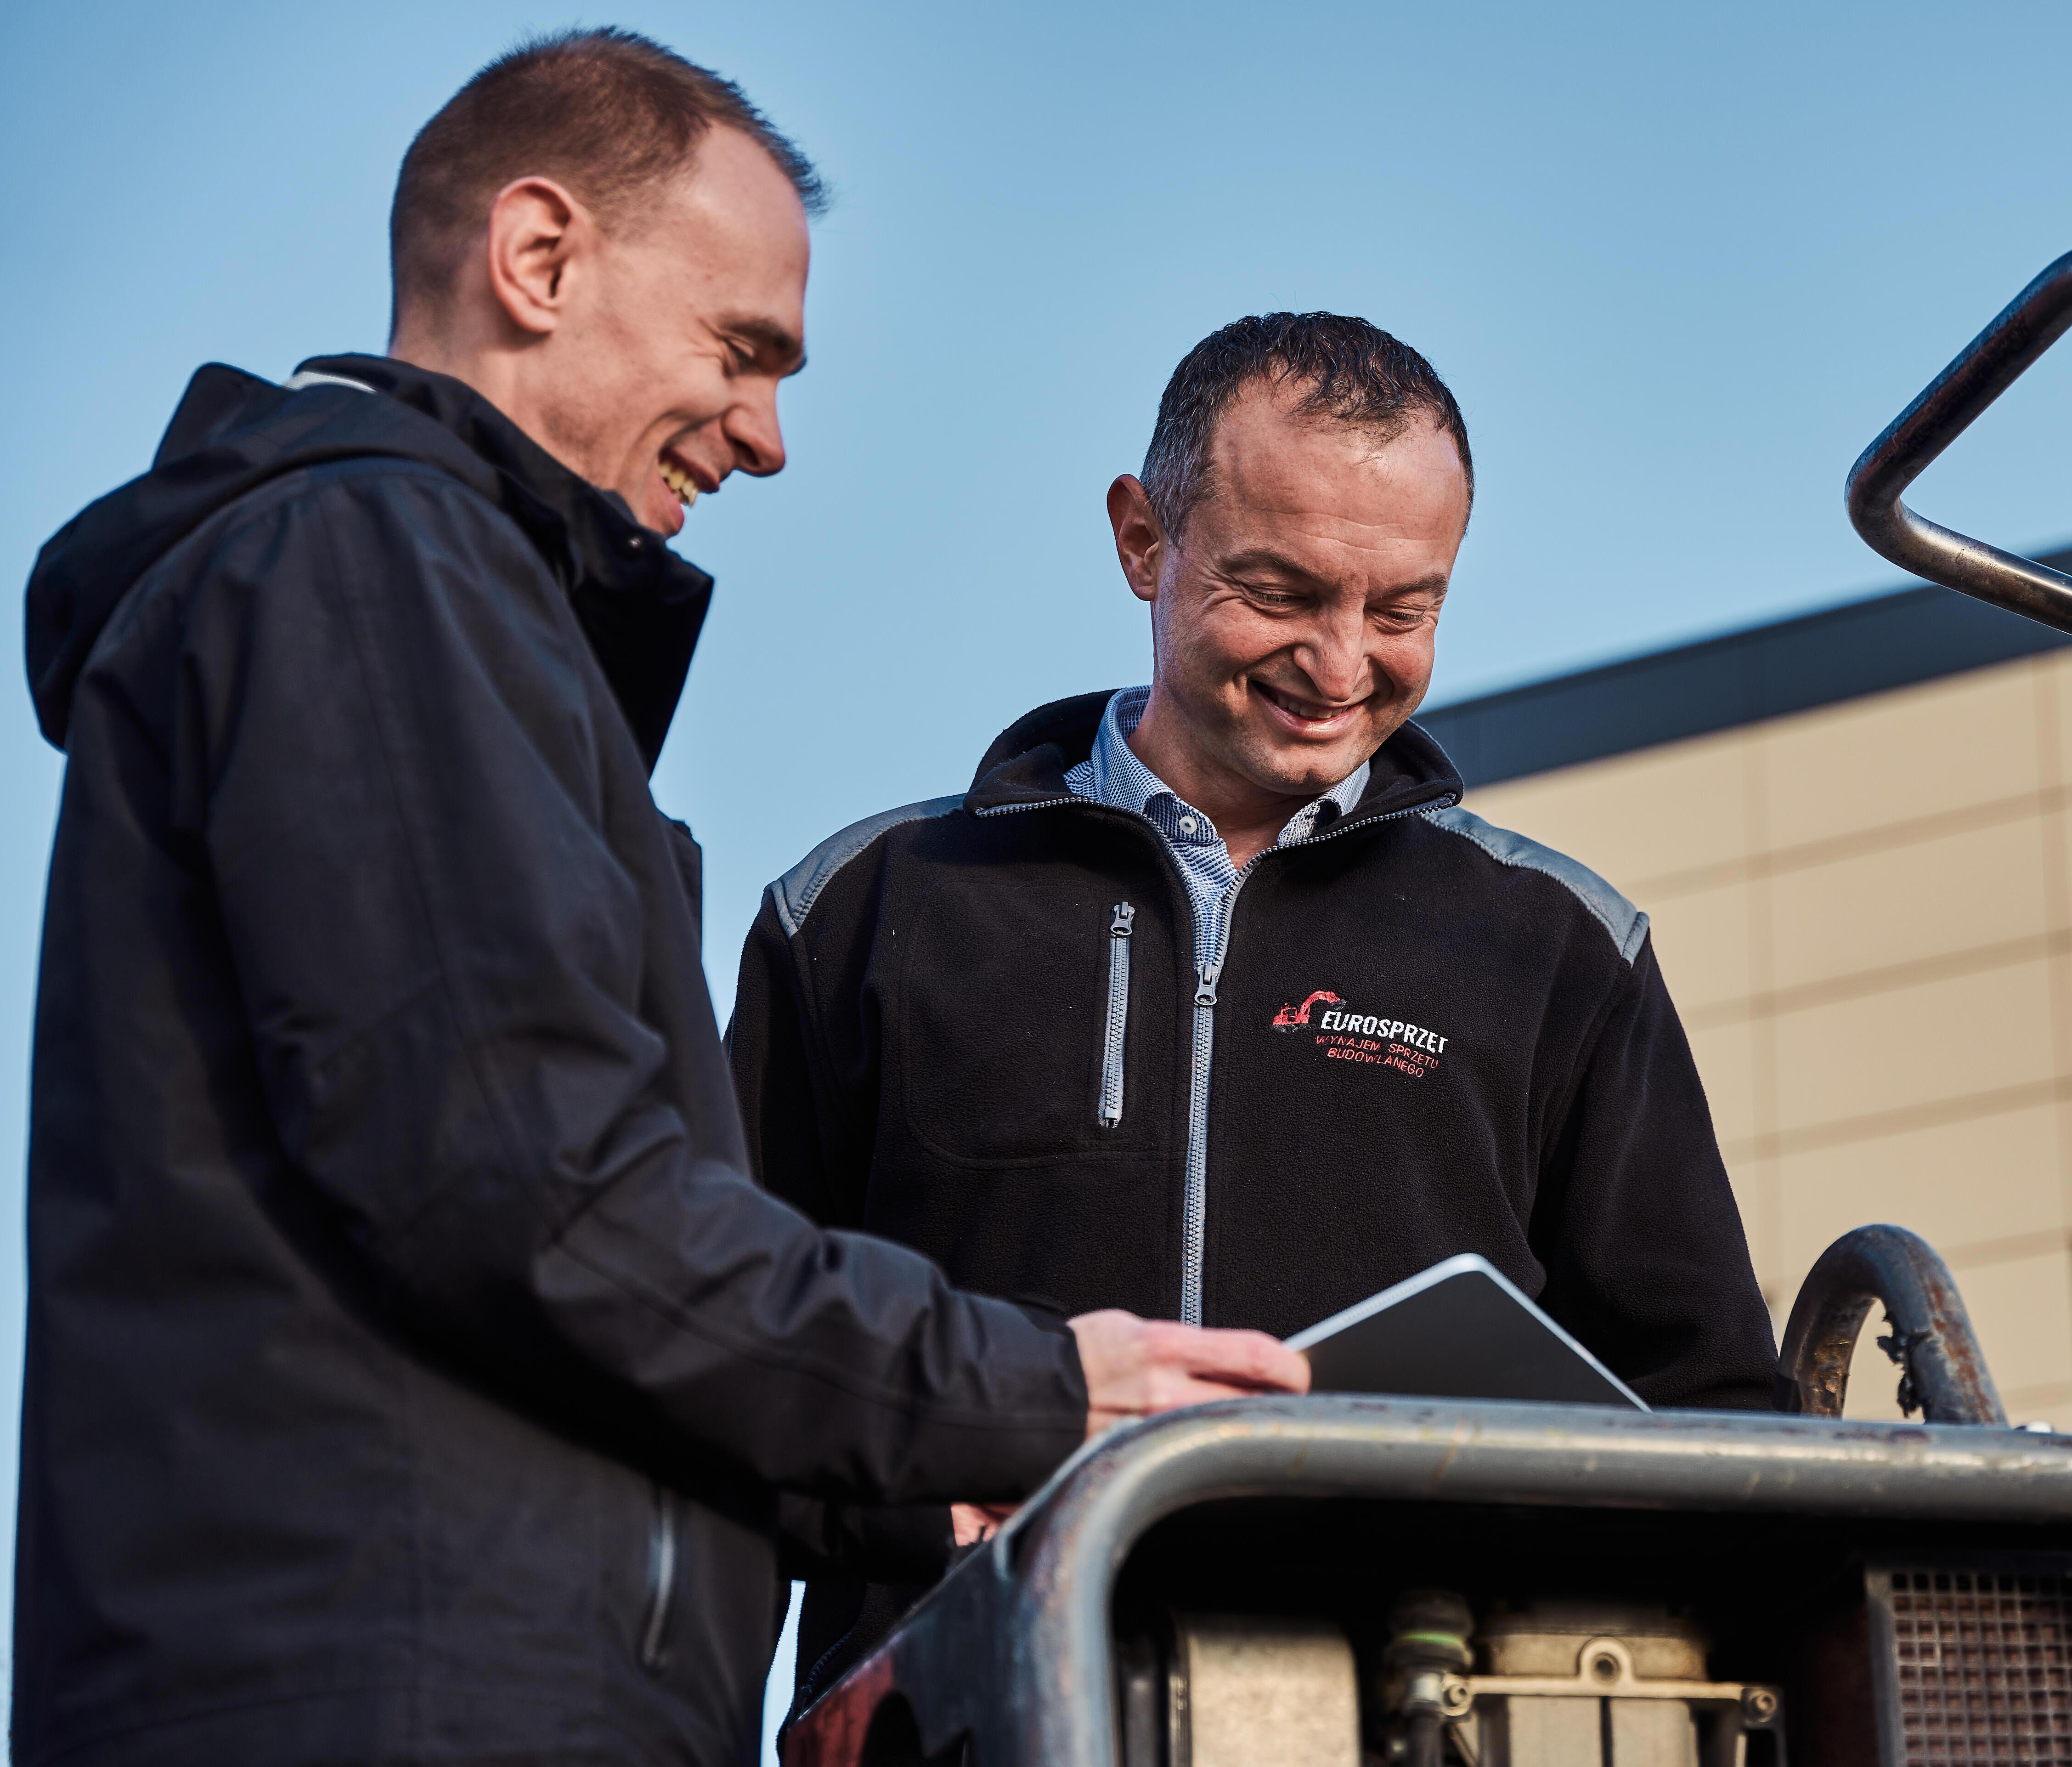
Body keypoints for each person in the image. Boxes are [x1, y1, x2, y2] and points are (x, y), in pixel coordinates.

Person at [16, 30, 1300, 1766]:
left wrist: (907, 1487)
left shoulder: (401, 590)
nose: (768, 439)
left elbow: (511, 1261)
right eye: (743, 349)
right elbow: (532, 1189)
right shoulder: (372, 561)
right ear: (539, 257)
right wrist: (1036, 1392)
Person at [728, 311, 1779, 1705]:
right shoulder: (859, 914)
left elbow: (1714, 1422)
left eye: (1403, 611)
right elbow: (723, 1374)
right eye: (1281, 593)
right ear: (1142, 540)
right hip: (964, 1723)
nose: (1341, 667)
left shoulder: (1561, 949)